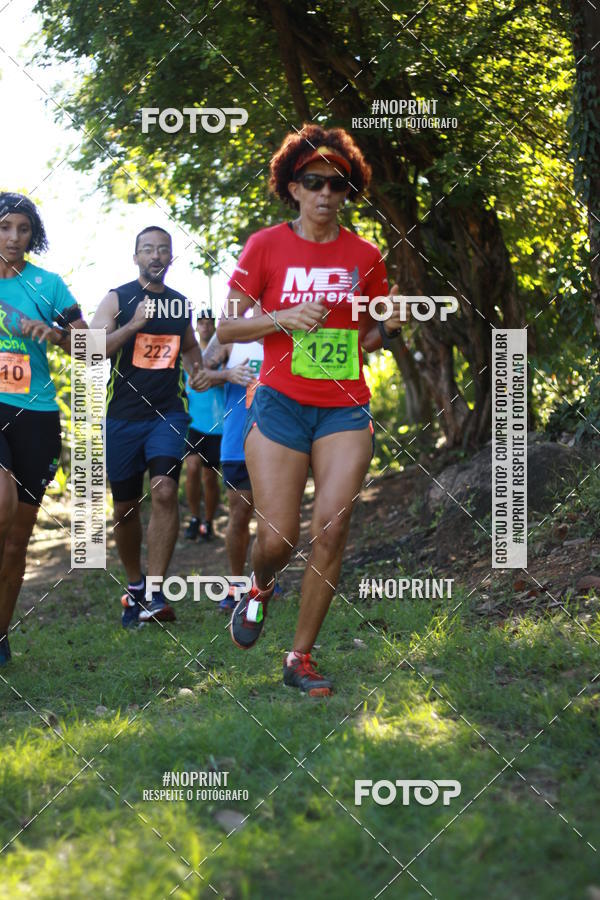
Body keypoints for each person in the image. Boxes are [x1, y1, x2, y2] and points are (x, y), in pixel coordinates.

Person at [217, 125, 405, 695]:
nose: (325, 192)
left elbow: (369, 336)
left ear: (348, 191)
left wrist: (391, 328)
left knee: (333, 525)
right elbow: (226, 328)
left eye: (337, 183)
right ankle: (260, 586)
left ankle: (299, 657)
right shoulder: (265, 246)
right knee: (278, 538)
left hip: (344, 407)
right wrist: (283, 318)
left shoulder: (364, 255)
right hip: (279, 403)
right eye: (313, 181)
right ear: (293, 187)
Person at [91, 226, 209, 628]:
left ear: (171, 257)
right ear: (136, 257)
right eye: (148, 249)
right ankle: (135, 584)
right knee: (124, 509)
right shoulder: (117, 298)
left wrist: (198, 371)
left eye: (162, 250)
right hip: (122, 418)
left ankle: (156, 593)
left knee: (164, 491)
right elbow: (90, 349)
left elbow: (190, 347)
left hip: (167, 414)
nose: (156, 255)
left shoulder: (180, 305)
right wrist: (133, 325)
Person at [0, 193, 88, 665]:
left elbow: (87, 346)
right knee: (0, 504)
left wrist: (53, 333)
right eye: (4, 227)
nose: (13, 238)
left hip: (36, 415)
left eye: (23, 229)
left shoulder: (47, 284)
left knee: (17, 540)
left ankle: (0, 635)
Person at [201, 332, 263, 613]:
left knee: (274, 518)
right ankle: (237, 584)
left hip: (281, 440)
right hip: (238, 439)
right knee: (240, 513)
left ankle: (265, 581)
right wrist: (228, 374)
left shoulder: (291, 328)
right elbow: (199, 376)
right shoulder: (231, 334)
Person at [183, 309, 224, 541]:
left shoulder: (222, 353)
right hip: (193, 422)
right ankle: (194, 518)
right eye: (201, 323)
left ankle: (208, 523)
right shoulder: (188, 354)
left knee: (210, 477)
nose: (206, 326)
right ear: (196, 327)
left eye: (210, 323)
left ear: (214, 327)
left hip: (218, 424)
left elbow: (226, 380)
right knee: (192, 468)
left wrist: (216, 376)